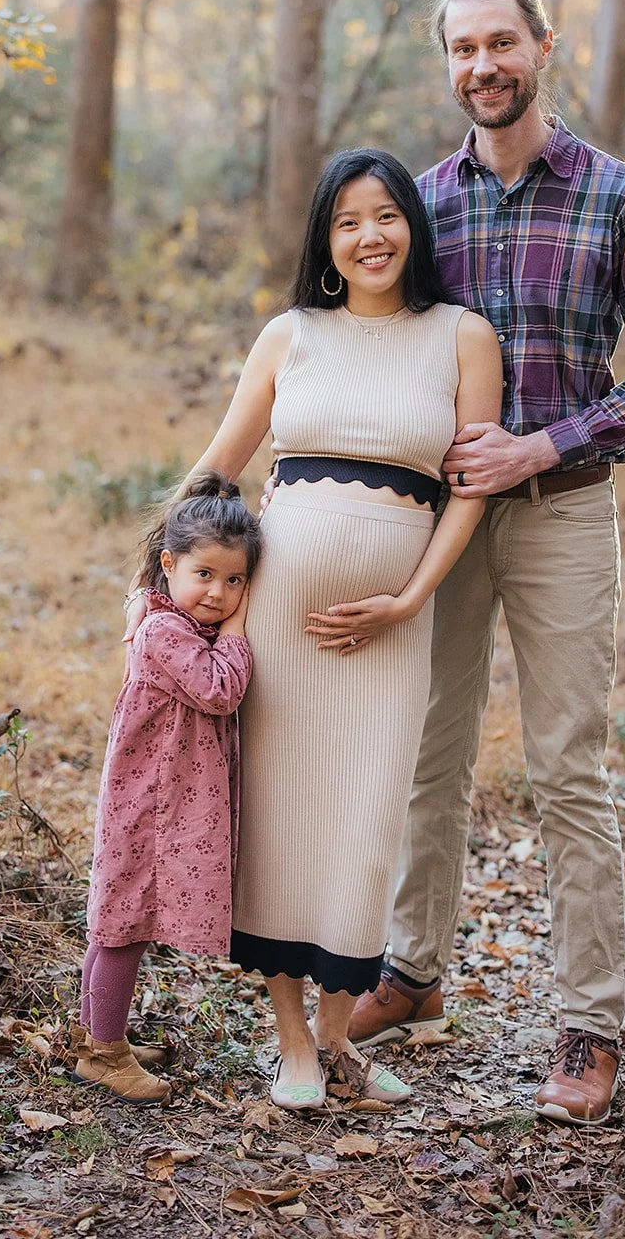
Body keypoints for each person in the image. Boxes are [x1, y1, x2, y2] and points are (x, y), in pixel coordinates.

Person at [347, 0, 625, 1127]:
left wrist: (540, 445)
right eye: (461, 49)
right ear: (443, 63)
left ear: (541, 46)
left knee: (564, 766)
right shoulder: (421, 201)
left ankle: (588, 1024)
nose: (480, 66)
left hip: (560, 510)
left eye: (500, 42)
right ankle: (412, 970)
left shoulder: (618, 195)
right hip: (434, 520)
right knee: (424, 754)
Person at [128, 147, 502, 1110]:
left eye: (385, 216)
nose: (368, 235)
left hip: (390, 624)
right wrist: (152, 578)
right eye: (346, 221)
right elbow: (220, 466)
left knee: (368, 820)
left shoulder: (461, 336)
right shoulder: (290, 334)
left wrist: (412, 596)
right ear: (325, 242)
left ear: (412, 227)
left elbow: (468, 489)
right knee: (284, 821)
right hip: (278, 617)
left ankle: (340, 1037)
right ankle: (294, 1042)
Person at [74, 473, 259, 1104]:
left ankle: (98, 1035)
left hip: (159, 793)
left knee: (118, 919)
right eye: (204, 574)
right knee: (124, 924)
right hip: (152, 802)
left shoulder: (167, 621)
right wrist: (238, 632)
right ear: (169, 564)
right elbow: (218, 689)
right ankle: (103, 1052)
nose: (218, 593)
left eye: (235, 581)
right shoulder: (163, 632)